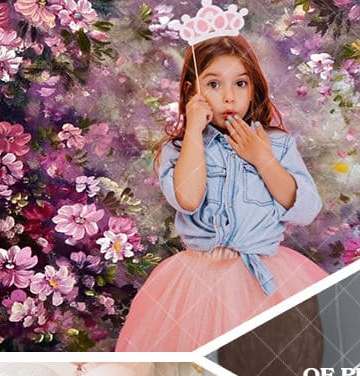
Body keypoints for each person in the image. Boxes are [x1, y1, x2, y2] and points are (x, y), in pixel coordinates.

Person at [116, 34, 326, 351]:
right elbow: (188, 198)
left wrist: (263, 159)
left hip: (265, 276)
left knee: (266, 362)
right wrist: (193, 135)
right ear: (192, 92)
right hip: (197, 279)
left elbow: (306, 210)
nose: (229, 97)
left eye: (240, 84)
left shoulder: (276, 144)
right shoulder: (178, 150)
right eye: (214, 85)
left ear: (253, 88)